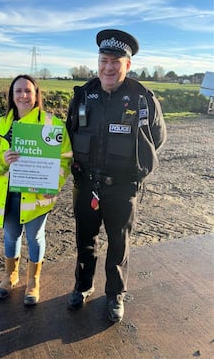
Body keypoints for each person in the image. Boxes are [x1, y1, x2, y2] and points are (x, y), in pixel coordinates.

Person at [66, 29, 167, 323]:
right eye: (104, 60)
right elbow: (70, 132)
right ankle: (83, 286)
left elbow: (157, 138)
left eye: (116, 61)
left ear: (128, 65)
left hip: (123, 188)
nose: (108, 67)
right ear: (98, 61)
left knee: (118, 242)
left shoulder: (142, 98)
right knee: (85, 239)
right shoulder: (84, 94)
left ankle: (115, 294)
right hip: (85, 184)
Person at [0, 74, 72, 306]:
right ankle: (10, 276)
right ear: (11, 95)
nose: (23, 95)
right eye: (18, 91)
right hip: (7, 196)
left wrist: (54, 185)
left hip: (37, 197)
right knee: (10, 236)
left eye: (28, 91)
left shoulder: (53, 126)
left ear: (37, 95)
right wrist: (1, 159)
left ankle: (33, 281)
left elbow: (65, 159)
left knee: (35, 237)